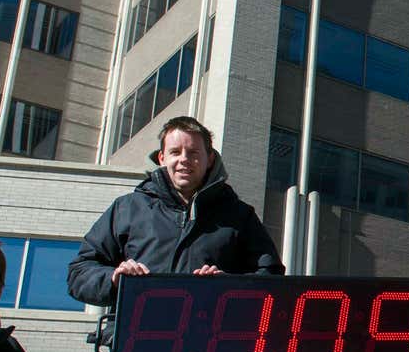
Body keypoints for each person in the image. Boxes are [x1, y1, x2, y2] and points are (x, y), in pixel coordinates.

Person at [68, 116, 283, 309]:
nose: (184, 159)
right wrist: (114, 278)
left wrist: (227, 287)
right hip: (135, 344)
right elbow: (79, 272)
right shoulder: (127, 209)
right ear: (162, 158)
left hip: (210, 343)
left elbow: (271, 279)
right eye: (175, 152)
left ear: (209, 159)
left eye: (193, 153)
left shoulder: (240, 216)